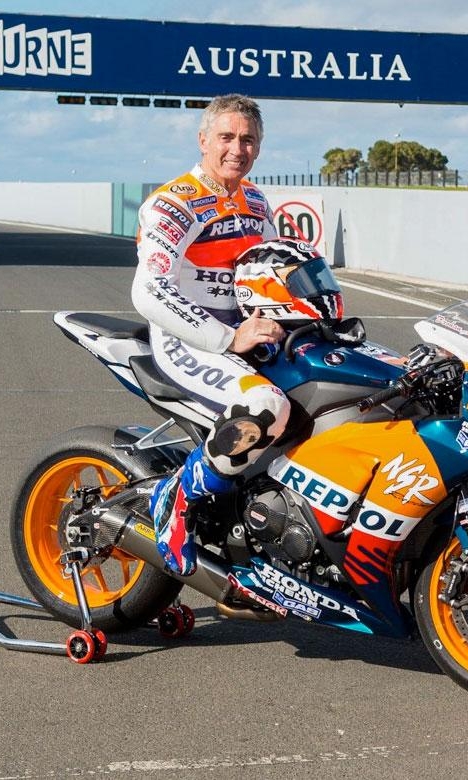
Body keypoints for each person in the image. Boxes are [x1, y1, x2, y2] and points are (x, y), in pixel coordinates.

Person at [131, 93, 288, 575]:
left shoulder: (256, 200)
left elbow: (275, 272)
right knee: (265, 408)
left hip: (245, 331)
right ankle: (174, 497)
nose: (237, 148)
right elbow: (149, 290)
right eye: (226, 137)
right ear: (203, 140)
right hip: (188, 338)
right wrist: (224, 339)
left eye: (248, 139)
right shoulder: (173, 203)